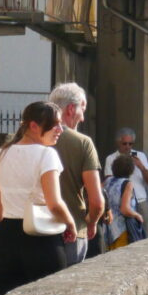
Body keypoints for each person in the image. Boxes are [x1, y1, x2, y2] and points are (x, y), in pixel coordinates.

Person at [0, 102, 77, 295]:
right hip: (41, 238)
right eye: (55, 124)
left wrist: (3, 235)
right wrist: (70, 224)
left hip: (6, 236)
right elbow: (54, 203)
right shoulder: (47, 155)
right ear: (34, 126)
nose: (60, 129)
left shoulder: (1, 154)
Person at [48, 82, 105, 267]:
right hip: (71, 231)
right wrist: (91, 222)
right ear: (71, 109)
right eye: (83, 109)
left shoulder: (28, 140)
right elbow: (97, 202)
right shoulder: (83, 143)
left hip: (34, 229)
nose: (82, 118)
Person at [103, 127, 148, 222]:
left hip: (140, 200)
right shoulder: (111, 158)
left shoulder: (140, 156)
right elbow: (109, 181)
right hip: (120, 202)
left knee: (145, 233)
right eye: (124, 143)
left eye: (130, 144)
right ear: (118, 143)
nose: (127, 146)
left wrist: (141, 166)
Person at [102, 154, 146, 249]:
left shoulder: (107, 180)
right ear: (130, 169)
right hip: (121, 229)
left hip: (108, 229)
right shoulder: (127, 184)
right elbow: (124, 209)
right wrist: (137, 215)